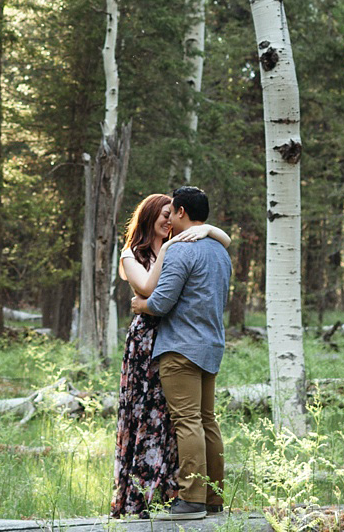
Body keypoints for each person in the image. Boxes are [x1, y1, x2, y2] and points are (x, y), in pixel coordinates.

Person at [111, 193, 230, 518]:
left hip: (177, 344)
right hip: (195, 344)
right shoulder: (216, 251)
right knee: (204, 421)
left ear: (181, 212)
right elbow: (150, 284)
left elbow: (159, 302)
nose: (168, 220)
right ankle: (211, 496)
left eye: (171, 213)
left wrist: (142, 306)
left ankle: (192, 499)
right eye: (161, 215)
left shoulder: (183, 247)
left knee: (188, 422)